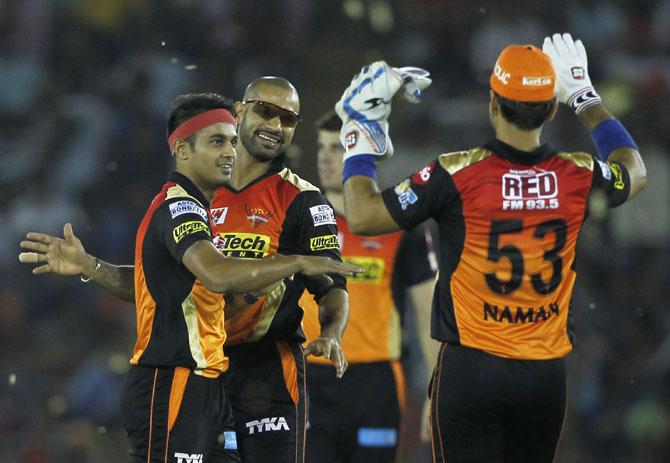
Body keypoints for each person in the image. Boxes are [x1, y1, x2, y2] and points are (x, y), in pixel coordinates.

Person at [334, 33, 647, 462]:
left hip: (471, 370)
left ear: (492, 105)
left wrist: (361, 136)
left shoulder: (457, 173)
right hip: (544, 375)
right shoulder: (578, 175)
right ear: (552, 108)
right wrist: (585, 96)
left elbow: (364, 215)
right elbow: (634, 170)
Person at [18, 93, 361, 463]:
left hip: (213, 378)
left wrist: (91, 267)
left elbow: (171, 287)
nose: (229, 152)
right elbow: (216, 275)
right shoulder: (180, 206)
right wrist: (295, 262)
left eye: (231, 141)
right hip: (173, 377)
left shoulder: (209, 208)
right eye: (216, 142)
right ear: (182, 149)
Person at [299, 110, 438, 463]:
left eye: (337, 148)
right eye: (321, 147)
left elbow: (429, 315)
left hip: (376, 383)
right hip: (309, 376)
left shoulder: (399, 226)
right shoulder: (295, 220)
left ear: (365, 157)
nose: (326, 157)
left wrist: (436, 391)